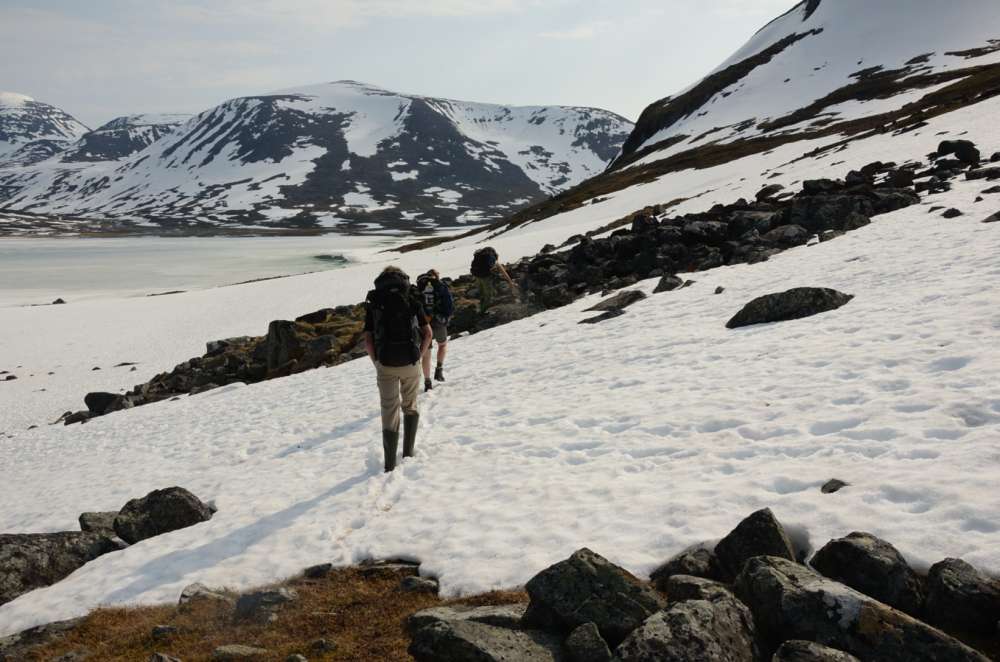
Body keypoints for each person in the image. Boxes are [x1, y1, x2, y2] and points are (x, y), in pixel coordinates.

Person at [364, 266, 432, 472]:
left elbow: (368, 340)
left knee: (389, 410)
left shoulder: (375, 301)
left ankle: (389, 464)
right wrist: (418, 357)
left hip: (385, 364)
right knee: (410, 406)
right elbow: (427, 334)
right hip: (410, 362)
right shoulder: (411, 297)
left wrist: (377, 363)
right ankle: (408, 453)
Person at [416, 269, 454, 392]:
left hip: (423, 323)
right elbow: (449, 305)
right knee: (442, 345)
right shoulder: (439, 286)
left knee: (426, 354)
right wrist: (446, 318)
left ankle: (427, 382)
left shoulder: (419, 287)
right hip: (439, 321)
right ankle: (439, 369)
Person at [470, 246, 515, 313]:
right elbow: (503, 271)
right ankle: (483, 311)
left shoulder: (480, 257)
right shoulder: (492, 258)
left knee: (482, 292)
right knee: (489, 295)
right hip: (485, 277)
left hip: (477, 276)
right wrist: (510, 281)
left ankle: (481, 305)